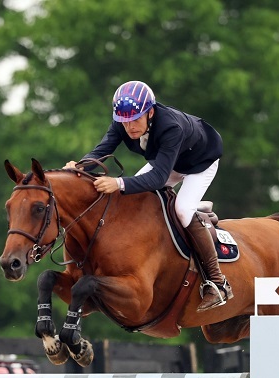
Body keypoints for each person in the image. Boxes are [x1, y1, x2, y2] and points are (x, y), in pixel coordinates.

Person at [66, 80, 232, 311]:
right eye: (125, 122)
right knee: (132, 199)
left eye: (136, 120)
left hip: (200, 162)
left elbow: (157, 178)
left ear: (150, 112)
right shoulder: (123, 121)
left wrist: (118, 183)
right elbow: (102, 150)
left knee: (183, 210)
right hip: (169, 161)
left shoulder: (170, 127)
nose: (130, 127)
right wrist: (78, 168)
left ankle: (217, 282)